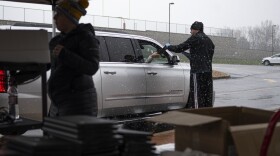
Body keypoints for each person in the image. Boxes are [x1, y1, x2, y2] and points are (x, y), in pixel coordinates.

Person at [48, 0, 100, 117]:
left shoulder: (86, 37)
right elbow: (47, 65)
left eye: (58, 14)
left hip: (79, 103)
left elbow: (92, 67)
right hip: (58, 102)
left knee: (72, 135)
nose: (54, 18)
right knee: (52, 133)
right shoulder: (56, 41)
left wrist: (65, 54)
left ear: (69, 17)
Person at [164, 21, 215, 108]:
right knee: (206, 95)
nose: (190, 32)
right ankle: (207, 113)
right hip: (208, 72)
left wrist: (169, 46)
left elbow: (179, 48)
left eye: (191, 30)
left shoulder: (195, 38)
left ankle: (197, 114)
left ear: (196, 30)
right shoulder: (209, 41)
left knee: (196, 95)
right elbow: (208, 54)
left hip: (197, 71)